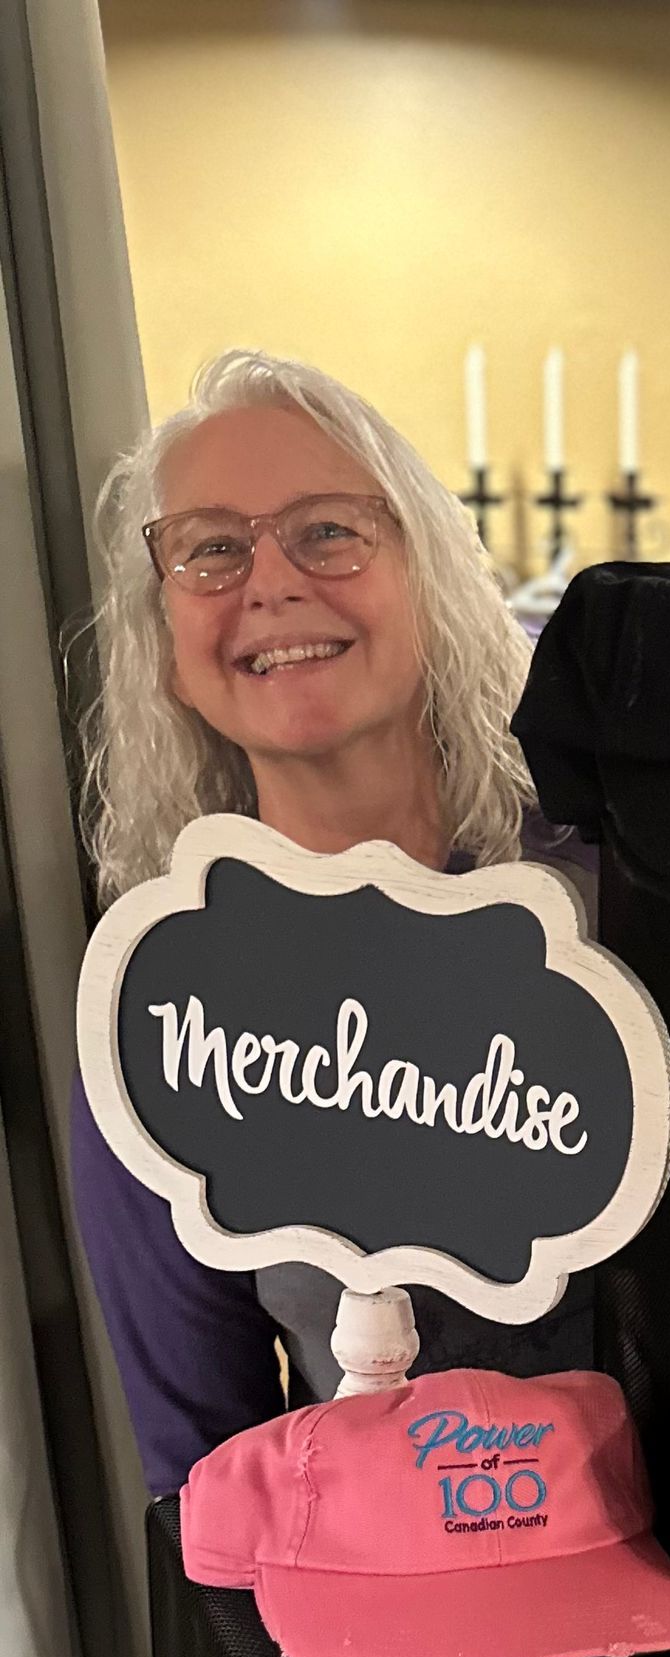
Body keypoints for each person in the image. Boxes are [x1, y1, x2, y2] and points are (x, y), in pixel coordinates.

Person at [73, 349, 592, 1496]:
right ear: (165, 646)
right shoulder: (157, 1016)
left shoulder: (614, 898)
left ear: (429, 574)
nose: (270, 582)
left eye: (328, 530)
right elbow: (205, 1481)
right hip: (394, 1655)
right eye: (210, 548)